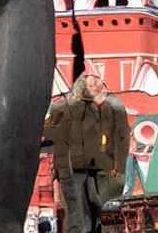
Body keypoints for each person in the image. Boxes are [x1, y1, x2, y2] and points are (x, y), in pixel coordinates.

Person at [43, 73, 130, 233]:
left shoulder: (113, 106)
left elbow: (123, 137)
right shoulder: (64, 106)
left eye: (97, 84)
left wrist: (118, 167)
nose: (95, 88)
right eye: (90, 85)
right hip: (74, 169)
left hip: (103, 169)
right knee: (80, 219)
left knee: (106, 215)